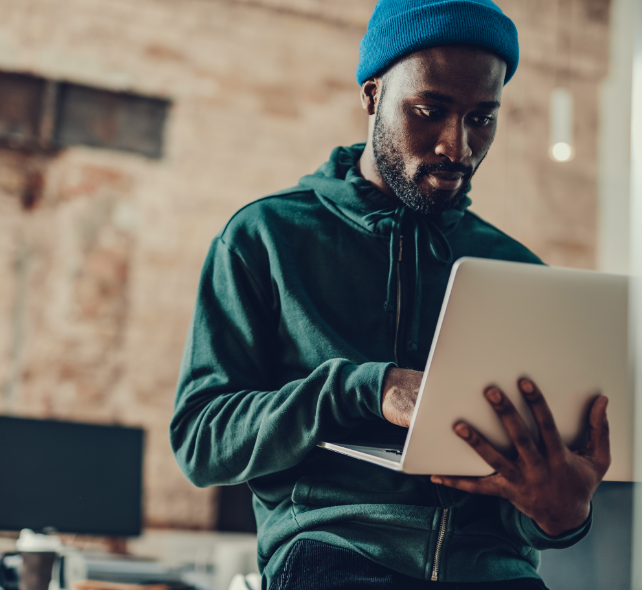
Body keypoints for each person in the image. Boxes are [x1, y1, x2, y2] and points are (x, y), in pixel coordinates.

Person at [170, 0, 611, 588]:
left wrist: (560, 517)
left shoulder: (518, 271)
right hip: (336, 553)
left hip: (494, 570)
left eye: (482, 118)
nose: (457, 147)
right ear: (372, 95)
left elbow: (530, 506)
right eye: (430, 111)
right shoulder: (266, 239)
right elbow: (202, 440)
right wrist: (369, 388)